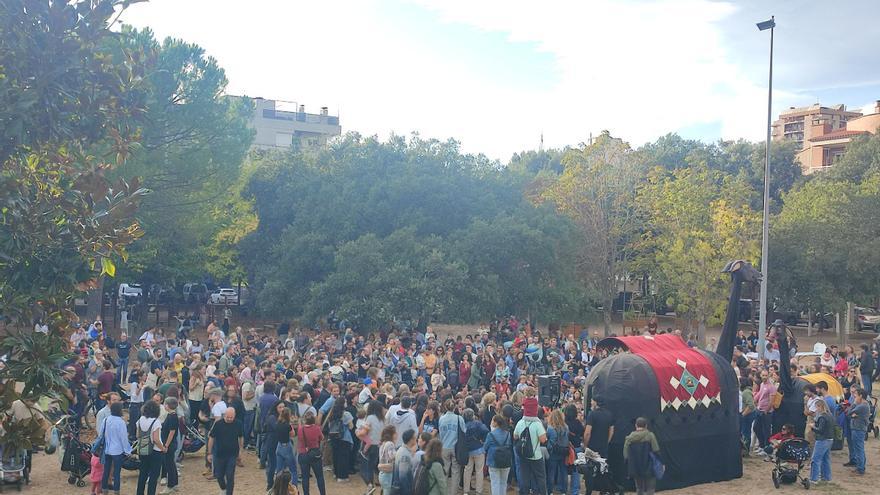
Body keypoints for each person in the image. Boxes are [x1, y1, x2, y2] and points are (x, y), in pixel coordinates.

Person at [513, 393, 547, 495]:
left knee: (525, 477)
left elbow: (515, 436)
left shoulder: (520, 422)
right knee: (540, 477)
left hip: (523, 455)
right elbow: (543, 440)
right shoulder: (537, 424)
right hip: (536, 456)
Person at [208, 407, 244, 495]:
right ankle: (223, 488)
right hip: (219, 454)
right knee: (219, 475)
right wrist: (209, 453)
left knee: (230, 475)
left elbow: (241, 437)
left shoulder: (238, 424)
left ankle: (229, 493)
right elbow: (211, 438)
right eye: (227, 417)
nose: (229, 419)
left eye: (231, 417)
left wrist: (240, 450)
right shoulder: (218, 424)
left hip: (232, 454)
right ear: (224, 415)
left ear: (234, 416)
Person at [623, 417, 660, 495]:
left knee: (639, 488)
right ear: (646, 426)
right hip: (649, 465)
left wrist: (629, 464)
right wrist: (660, 462)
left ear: (636, 425)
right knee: (651, 488)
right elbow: (656, 450)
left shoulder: (629, 438)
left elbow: (625, 454)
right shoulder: (650, 435)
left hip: (635, 466)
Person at [101, 402, 131, 495]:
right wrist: (128, 450)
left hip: (107, 449)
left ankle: (104, 490)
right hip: (117, 451)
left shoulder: (105, 420)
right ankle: (116, 492)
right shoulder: (121, 422)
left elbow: (101, 434)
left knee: (106, 471)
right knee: (117, 473)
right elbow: (124, 438)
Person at [136, 400, 166, 495]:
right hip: (155, 452)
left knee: (142, 474)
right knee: (153, 476)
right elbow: (156, 439)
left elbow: (137, 435)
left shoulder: (140, 420)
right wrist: (163, 448)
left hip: (143, 449)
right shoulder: (156, 422)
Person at [438, 399, 465, 495]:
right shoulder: (459, 418)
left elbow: (440, 433)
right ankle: (453, 492)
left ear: (445, 407)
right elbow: (464, 431)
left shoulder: (441, 418)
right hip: (456, 447)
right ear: (455, 407)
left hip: (444, 446)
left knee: (445, 470)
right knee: (455, 471)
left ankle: (444, 492)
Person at [325, 394, 354, 482]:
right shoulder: (346, 414)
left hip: (334, 437)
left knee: (336, 456)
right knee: (344, 457)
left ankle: (336, 473)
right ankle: (342, 476)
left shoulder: (332, 414)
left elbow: (329, 425)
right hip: (344, 438)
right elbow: (351, 426)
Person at [297, 410, 327, 495]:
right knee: (319, 476)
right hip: (314, 453)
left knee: (305, 477)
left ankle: (306, 493)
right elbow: (322, 438)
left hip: (303, 454)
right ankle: (322, 493)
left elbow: (299, 439)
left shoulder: (300, 430)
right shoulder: (317, 429)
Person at [483, 415, 512, 495]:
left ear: (495, 422)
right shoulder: (507, 434)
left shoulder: (490, 434)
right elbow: (509, 445)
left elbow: (485, 447)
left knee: (495, 483)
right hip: (506, 461)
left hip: (493, 461)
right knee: (503, 483)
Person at [462, 408, 489, 495]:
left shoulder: (463, 425)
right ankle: (478, 491)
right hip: (478, 449)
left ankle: (466, 491)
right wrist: (482, 440)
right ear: (473, 415)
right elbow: (486, 431)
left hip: (467, 450)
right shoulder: (477, 423)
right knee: (479, 471)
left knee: (467, 470)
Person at [809, 398, 833, 485]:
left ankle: (813, 478)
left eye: (816, 407)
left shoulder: (822, 417)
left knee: (815, 459)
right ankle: (827, 477)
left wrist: (812, 427)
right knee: (825, 459)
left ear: (819, 407)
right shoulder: (830, 415)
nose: (816, 409)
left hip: (822, 440)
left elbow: (820, 430)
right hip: (830, 439)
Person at [274, 407, 298, 490]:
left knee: (279, 469)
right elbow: (293, 434)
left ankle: (277, 487)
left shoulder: (277, 423)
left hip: (279, 446)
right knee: (293, 469)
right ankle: (294, 487)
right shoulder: (288, 425)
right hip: (287, 446)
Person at [159, 397, 179, 494]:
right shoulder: (171, 415)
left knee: (169, 465)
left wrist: (166, 445)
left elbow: (172, 432)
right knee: (171, 464)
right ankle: (175, 483)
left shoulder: (172, 417)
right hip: (170, 443)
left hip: (170, 444)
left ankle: (170, 485)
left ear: (167, 405)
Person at [847, 387, 869, 475]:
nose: (854, 396)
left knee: (858, 449)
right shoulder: (864, 405)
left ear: (861, 396)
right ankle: (861, 467)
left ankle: (860, 469)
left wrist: (854, 403)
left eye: (856, 395)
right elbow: (851, 414)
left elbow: (848, 412)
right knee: (860, 449)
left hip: (858, 429)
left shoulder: (862, 406)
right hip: (859, 429)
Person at [393, 429, 418, 494]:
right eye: (415, 437)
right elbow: (403, 476)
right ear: (411, 440)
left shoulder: (401, 449)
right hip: (404, 490)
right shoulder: (405, 455)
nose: (416, 439)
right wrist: (408, 491)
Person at [377, 425, 397, 495]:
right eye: (395, 433)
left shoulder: (383, 443)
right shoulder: (390, 444)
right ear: (391, 434)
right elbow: (392, 456)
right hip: (388, 474)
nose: (396, 434)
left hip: (382, 473)